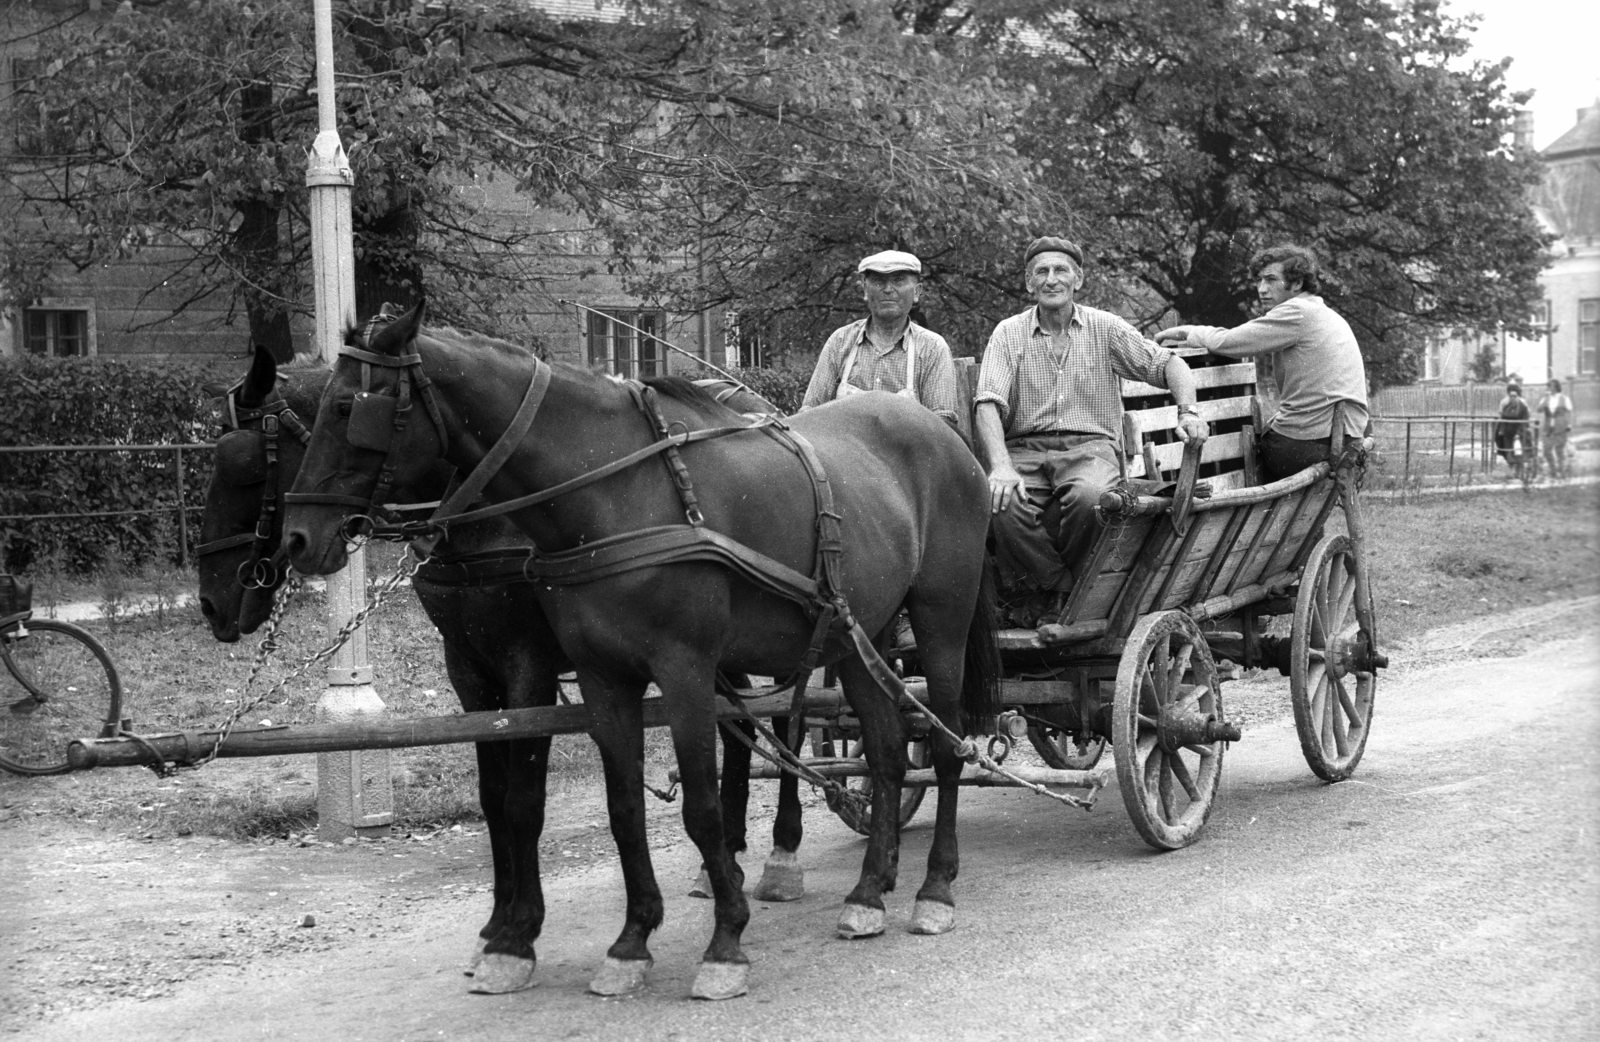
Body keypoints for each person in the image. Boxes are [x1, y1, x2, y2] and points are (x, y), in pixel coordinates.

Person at [975, 236, 1207, 623]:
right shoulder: (1008, 333)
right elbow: (987, 403)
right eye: (1041, 272)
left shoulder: (1105, 328)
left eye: (1060, 270)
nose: (1051, 279)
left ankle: (1056, 595)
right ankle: (1059, 589)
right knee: (999, 502)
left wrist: (1188, 412)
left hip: (1090, 448)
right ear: (1029, 283)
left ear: (1077, 279)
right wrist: (1000, 465)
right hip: (1025, 450)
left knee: (1093, 497)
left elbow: (1170, 365)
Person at [1156, 245, 1369, 482]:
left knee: (1233, 456)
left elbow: (1229, 342)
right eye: (1259, 280)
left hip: (1306, 445)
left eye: (1271, 280)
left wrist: (1188, 332)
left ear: (1297, 282)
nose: (1261, 289)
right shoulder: (1323, 312)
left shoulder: (1296, 311)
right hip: (1346, 441)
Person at [800, 250, 959, 427]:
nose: (888, 289)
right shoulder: (840, 342)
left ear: (917, 292)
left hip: (907, 454)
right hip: (844, 453)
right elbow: (809, 414)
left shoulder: (932, 348)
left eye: (899, 280)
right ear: (865, 290)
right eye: (878, 281)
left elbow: (943, 428)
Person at [1537, 378, 1575, 480]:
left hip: (1561, 426)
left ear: (1556, 387)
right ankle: (1553, 471)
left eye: (1551, 386)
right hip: (1548, 427)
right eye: (1548, 386)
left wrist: (1569, 424)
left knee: (1560, 450)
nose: (1549, 388)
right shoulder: (1546, 398)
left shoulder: (1564, 398)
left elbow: (1570, 412)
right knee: (1546, 450)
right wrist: (1545, 398)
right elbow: (1539, 409)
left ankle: (1561, 473)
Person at [1494, 381, 1531, 480]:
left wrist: (1519, 432)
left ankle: (1520, 471)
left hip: (1520, 431)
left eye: (1515, 395)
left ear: (1518, 395)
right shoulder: (1505, 404)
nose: (1513, 397)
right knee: (1508, 451)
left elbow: (1525, 419)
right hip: (1508, 432)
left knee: (1519, 451)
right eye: (1511, 395)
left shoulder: (1522, 405)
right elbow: (1501, 417)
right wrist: (1501, 430)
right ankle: (1512, 470)